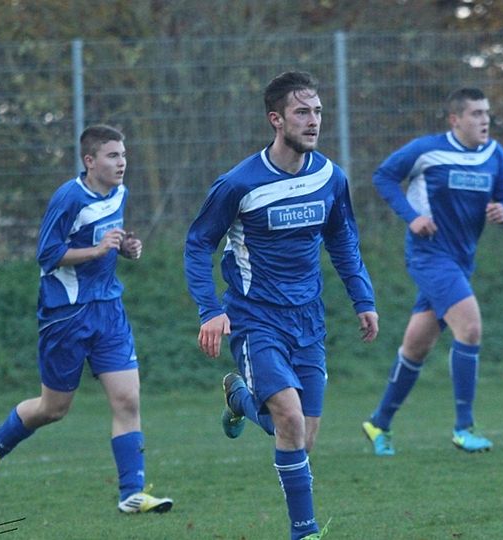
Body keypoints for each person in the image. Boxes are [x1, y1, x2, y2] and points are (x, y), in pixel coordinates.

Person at [183, 71, 378, 540]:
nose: (313, 121)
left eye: (317, 112)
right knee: (289, 418)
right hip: (256, 318)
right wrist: (210, 310)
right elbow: (197, 244)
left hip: (308, 319)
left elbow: (343, 242)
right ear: (276, 119)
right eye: (302, 112)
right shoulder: (238, 184)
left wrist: (362, 298)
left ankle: (239, 399)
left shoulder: (331, 178)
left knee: (302, 438)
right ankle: (304, 532)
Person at [0, 124, 173, 513]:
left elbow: (107, 241)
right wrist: (97, 251)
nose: (122, 162)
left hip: (108, 310)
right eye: (113, 156)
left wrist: (126, 249)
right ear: (90, 161)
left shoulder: (120, 192)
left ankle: (131, 493)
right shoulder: (68, 198)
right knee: (54, 409)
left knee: (128, 399)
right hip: (64, 315)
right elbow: (47, 255)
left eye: (124, 154)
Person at [361, 87, 503, 456]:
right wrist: (412, 217)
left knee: (417, 346)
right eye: (476, 114)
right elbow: (384, 177)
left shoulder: (495, 154)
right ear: (455, 119)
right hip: (429, 255)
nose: (485, 120)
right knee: (470, 326)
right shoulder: (426, 149)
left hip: (462, 260)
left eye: (487, 113)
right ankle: (464, 427)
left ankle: (378, 423)